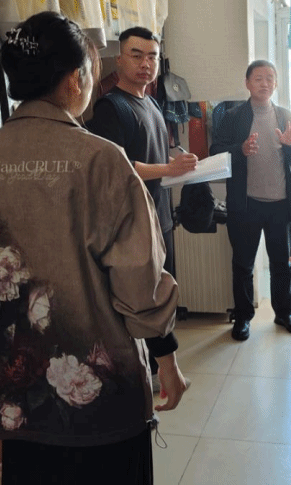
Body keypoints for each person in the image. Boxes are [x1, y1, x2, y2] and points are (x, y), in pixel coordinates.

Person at [0, 12, 187, 485]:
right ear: (76, 78)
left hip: (17, 400)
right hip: (100, 402)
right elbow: (139, 282)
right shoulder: (101, 159)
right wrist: (167, 359)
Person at [87, 26, 197, 389]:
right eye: (136, 55)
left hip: (159, 215)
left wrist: (178, 163)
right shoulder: (110, 107)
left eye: (152, 56)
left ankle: (158, 367)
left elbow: (152, 154)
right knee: (142, 299)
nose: (145, 63)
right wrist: (168, 169)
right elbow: (118, 167)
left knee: (160, 295)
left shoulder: (151, 103)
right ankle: (145, 376)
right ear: (118, 60)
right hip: (131, 224)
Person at [210, 60, 291, 341]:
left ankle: (284, 313)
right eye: (258, 78)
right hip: (246, 204)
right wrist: (240, 149)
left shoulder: (287, 116)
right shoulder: (232, 117)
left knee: (281, 263)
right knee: (243, 264)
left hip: (280, 203)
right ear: (247, 83)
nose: (264, 83)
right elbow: (215, 150)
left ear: (276, 83)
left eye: (269, 78)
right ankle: (243, 317)